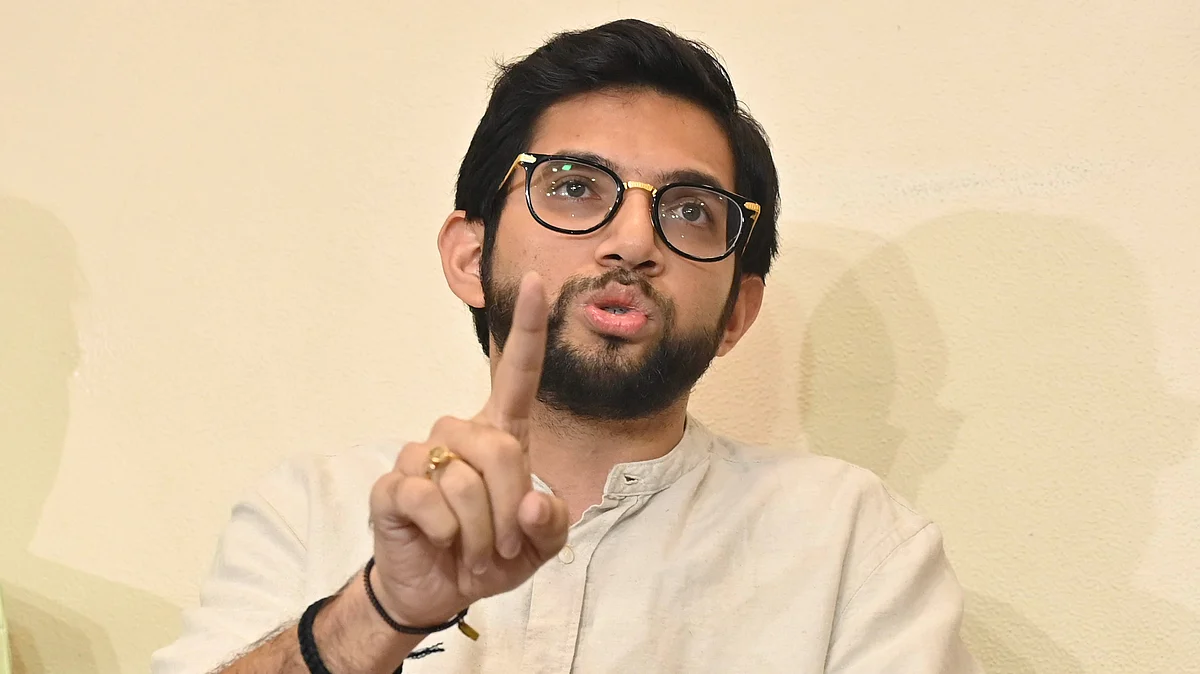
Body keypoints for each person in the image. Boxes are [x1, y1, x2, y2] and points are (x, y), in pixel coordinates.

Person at [152, 19, 981, 674]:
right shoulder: (314, 511)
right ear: (471, 257)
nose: (631, 240)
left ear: (738, 312)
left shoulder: (852, 543)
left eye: (690, 208)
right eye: (575, 187)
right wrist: (380, 613)